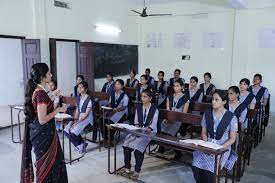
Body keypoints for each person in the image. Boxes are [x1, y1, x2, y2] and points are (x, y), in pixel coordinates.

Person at [21, 63, 68, 183]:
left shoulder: (37, 90)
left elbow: (42, 105)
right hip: (44, 135)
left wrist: (52, 95)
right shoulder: (41, 93)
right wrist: (58, 109)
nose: (51, 75)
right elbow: (42, 119)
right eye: (48, 73)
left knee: (48, 166)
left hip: (40, 134)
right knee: (48, 167)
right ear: (42, 77)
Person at [192, 90, 238, 183]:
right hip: (208, 144)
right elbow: (204, 133)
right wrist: (205, 143)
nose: (213, 102)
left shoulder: (231, 117)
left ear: (224, 102)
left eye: (217, 100)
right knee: (196, 165)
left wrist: (220, 148)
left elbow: (232, 138)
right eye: (213, 99)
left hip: (222, 147)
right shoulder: (207, 113)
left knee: (211, 170)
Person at [119, 89, 159, 180]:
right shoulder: (139, 107)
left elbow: (153, 124)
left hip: (150, 131)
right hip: (139, 129)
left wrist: (145, 131)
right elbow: (136, 121)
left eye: (145, 97)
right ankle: (127, 168)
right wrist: (137, 129)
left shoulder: (154, 109)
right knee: (127, 146)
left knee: (138, 150)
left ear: (150, 98)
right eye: (142, 96)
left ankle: (137, 171)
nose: (143, 98)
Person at [64, 81, 94, 155]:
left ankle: (80, 145)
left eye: (81, 87)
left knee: (73, 132)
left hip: (87, 120)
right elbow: (77, 111)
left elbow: (85, 115)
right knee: (66, 130)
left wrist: (76, 123)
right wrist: (74, 120)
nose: (79, 89)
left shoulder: (89, 100)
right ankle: (80, 144)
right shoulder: (79, 98)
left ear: (86, 89)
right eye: (78, 87)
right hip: (79, 118)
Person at [103, 79, 129, 145]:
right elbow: (109, 103)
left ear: (122, 86)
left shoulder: (125, 95)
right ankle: (105, 138)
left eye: (118, 84)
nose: (116, 85)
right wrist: (110, 109)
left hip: (121, 112)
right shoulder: (113, 94)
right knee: (102, 120)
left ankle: (111, 140)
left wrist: (116, 110)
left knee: (111, 122)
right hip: (113, 110)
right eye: (115, 84)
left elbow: (124, 106)